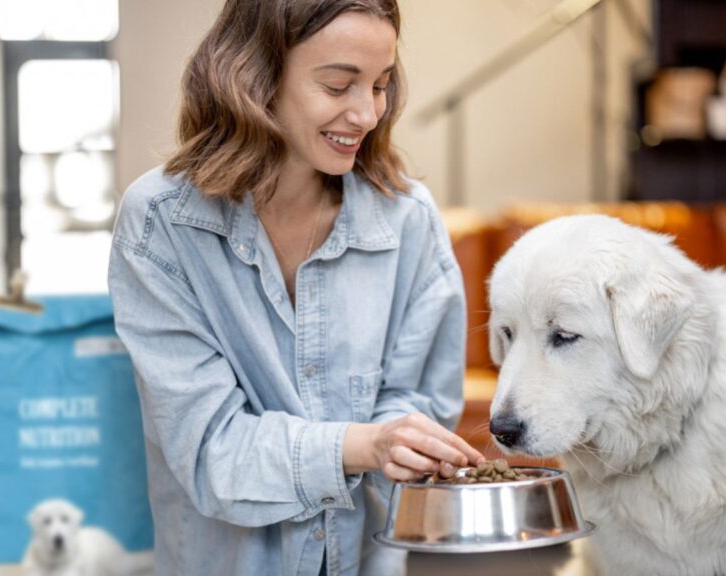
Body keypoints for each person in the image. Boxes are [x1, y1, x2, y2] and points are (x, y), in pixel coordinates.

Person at [107, 1, 484, 574]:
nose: (367, 114)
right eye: (338, 86)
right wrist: (367, 445)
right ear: (254, 77)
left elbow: (420, 403)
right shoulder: (163, 225)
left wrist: (404, 440)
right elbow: (211, 452)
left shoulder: (408, 220)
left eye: (381, 85)